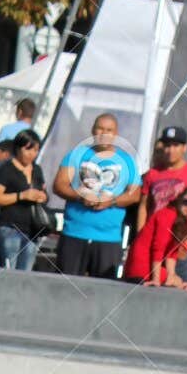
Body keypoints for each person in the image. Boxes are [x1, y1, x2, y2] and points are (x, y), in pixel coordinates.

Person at [53, 113, 140, 279]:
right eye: (100, 128)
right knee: (65, 288)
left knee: (103, 292)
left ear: (116, 134)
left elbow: (135, 195)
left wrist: (111, 201)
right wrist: (81, 196)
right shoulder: (77, 154)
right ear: (93, 130)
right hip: (74, 234)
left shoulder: (126, 160)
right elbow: (59, 185)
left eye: (109, 130)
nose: (103, 133)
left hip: (108, 238)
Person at [0, 129, 49, 271]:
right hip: (10, 228)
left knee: (25, 274)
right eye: (28, 150)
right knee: (8, 271)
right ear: (18, 148)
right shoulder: (6, 169)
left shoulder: (37, 169)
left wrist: (41, 196)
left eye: (35, 151)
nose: (32, 154)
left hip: (31, 230)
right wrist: (21, 196)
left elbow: (43, 191)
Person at [134, 124, 187, 234]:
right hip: (154, 232)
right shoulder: (152, 174)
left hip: (180, 236)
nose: (171, 150)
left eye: (175, 145)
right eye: (167, 146)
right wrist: (141, 234)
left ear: (184, 148)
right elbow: (144, 206)